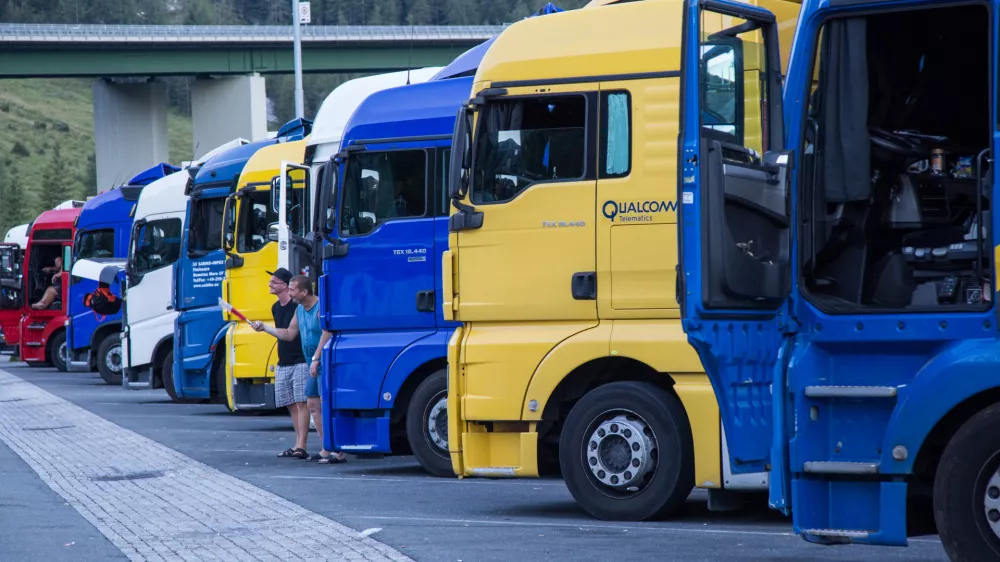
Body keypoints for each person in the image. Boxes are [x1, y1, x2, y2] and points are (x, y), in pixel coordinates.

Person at [252, 274, 346, 464]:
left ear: (304, 292)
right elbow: (289, 334)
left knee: (326, 404)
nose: (290, 292)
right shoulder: (300, 310)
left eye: (293, 289)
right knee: (312, 405)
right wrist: (265, 328)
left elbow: (327, 332)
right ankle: (326, 448)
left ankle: (339, 451)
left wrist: (316, 358)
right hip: (313, 364)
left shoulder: (320, 307)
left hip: (322, 362)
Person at [264, 268, 309, 459]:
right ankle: (297, 442)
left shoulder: (296, 306)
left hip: (299, 359)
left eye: (273, 282)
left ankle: (302, 445)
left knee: (301, 403)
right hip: (284, 361)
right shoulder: (275, 307)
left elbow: (290, 334)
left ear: (284, 285)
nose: (270, 285)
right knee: (290, 403)